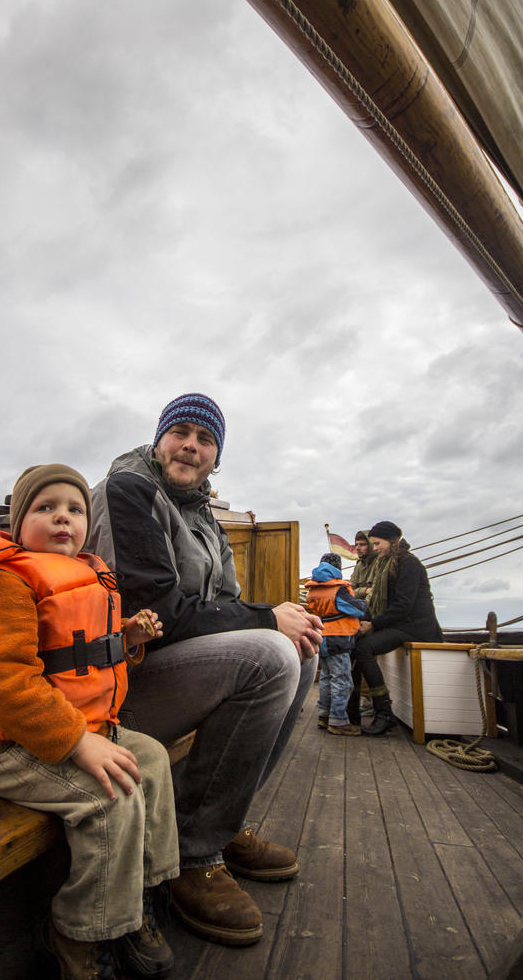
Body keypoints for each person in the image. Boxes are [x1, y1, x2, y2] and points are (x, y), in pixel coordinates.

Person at [0, 464, 180, 980]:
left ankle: (142, 896)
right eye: (46, 507)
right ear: (18, 522)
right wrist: (78, 741)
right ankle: (81, 931)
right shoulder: (2, 582)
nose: (64, 518)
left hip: (67, 733)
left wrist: (127, 640)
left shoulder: (86, 573)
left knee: (151, 759)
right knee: (112, 794)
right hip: (1, 744)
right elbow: (6, 681)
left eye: (75, 509)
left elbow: (76, 656)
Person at [87, 393, 323, 947]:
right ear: (160, 438)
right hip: (121, 677)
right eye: (181, 432)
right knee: (271, 653)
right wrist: (269, 616)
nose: (191, 446)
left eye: (206, 439)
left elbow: (224, 602)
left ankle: (221, 819)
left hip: (174, 667)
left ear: (217, 458)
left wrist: (277, 619)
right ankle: (195, 854)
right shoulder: (129, 490)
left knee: (304, 651)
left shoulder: (205, 517)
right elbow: (155, 609)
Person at [349, 520, 442, 736]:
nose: (375, 548)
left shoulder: (408, 563)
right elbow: (380, 602)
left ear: (392, 541)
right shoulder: (386, 563)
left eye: (378, 543)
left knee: (364, 649)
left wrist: (373, 624)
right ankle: (352, 711)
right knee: (356, 644)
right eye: (373, 544)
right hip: (399, 623)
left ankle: (384, 712)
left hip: (415, 626)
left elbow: (403, 605)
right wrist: (364, 622)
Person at [305, 552, 368, 736]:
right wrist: (363, 603)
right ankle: (338, 721)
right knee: (342, 679)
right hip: (339, 638)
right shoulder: (337, 589)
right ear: (337, 568)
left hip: (321, 636)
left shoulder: (314, 589)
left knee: (326, 677)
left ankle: (324, 715)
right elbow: (355, 608)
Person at [349, 530, 377, 600]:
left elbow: (376, 592)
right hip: (360, 607)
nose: (357, 548)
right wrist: (365, 591)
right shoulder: (358, 566)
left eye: (362, 544)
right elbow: (349, 592)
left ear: (371, 545)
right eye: (356, 545)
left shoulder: (380, 562)